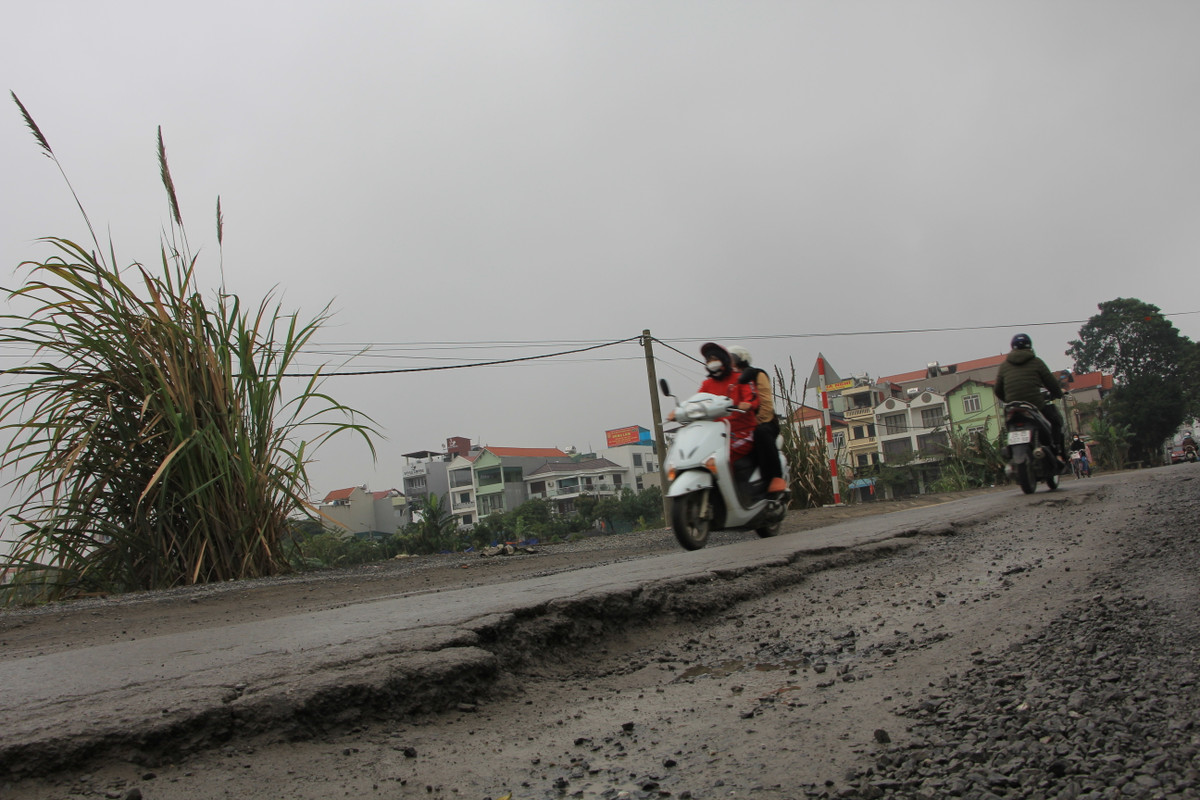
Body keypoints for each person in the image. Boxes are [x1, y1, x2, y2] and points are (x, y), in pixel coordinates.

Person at [667, 342, 758, 461]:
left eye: (715, 359)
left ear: (724, 360)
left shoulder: (739, 378)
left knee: (722, 455)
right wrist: (678, 411)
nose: (711, 362)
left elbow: (752, 397)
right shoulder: (707, 384)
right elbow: (695, 401)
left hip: (742, 432)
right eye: (709, 360)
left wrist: (748, 404)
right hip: (718, 433)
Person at [994, 333, 1066, 464]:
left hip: (1012, 407)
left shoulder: (1004, 365)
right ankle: (1057, 451)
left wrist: (1008, 400)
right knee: (1056, 421)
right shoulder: (1036, 362)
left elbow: (997, 389)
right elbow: (1051, 383)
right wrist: (1057, 394)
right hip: (1035, 404)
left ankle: (1010, 451)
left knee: (1009, 427)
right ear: (1030, 347)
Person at [728, 346, 788, 494]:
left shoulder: (757, 375)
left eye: (731, 359)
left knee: (760, 433)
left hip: (762, 424)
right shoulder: (726, 380)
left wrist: (752, 423)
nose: (728, 363)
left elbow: (766, 406)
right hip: (737, 428)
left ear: (741, 359)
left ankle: (774, 479)